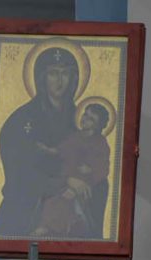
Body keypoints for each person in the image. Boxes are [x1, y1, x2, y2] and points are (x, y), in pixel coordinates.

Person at [0, 46, 80, 237]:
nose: (60, 81)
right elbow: (19, 175)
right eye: (53, 74)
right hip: (27, 209)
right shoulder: (21, 120)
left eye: (65, 74)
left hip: (67, 205)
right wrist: (64, 181)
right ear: (42, 78)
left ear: (74, 79)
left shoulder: (81, 119)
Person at [33, 102, 111, 238]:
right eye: (85, 115)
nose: (85, 119)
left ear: (98, 125)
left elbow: (103, 168)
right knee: (53, 199)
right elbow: (61, 149)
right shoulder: (75, 136)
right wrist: (47, 150)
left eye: (91, 119)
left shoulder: (101, 143)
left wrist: (90, 170)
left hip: (87, 182)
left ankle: (47, 228)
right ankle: (45, 226)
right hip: (68, 177)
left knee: (66, 201)